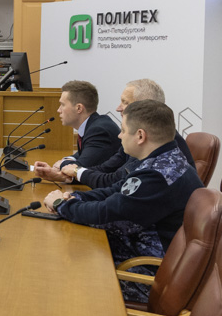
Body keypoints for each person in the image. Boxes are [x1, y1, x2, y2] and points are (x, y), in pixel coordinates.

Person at [42, 101, 203, 302]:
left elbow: (107, 214)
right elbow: (114, 191)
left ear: (141, 136)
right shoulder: (162, 159)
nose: (119, 136)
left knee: (66, 274)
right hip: (137, 253)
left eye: (123, 130)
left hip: (147, 275)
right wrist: (76, 197)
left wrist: (62, 205)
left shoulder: (158, 175)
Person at [35, 79, 192, 188]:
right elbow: (107, 170)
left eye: (125, 102)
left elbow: (115, 183)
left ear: (144, 107)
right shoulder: (136, 140)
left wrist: (68, 200)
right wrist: (66, 177)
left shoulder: (162, 143)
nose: (118, 108)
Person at [48, 79, 123, 170]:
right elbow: (86, 153)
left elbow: (81, 168)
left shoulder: (99, 130)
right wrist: (69, 159)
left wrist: (62, 164)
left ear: (79, 108)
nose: (58, 110)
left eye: (62, 105)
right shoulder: (92, 124)